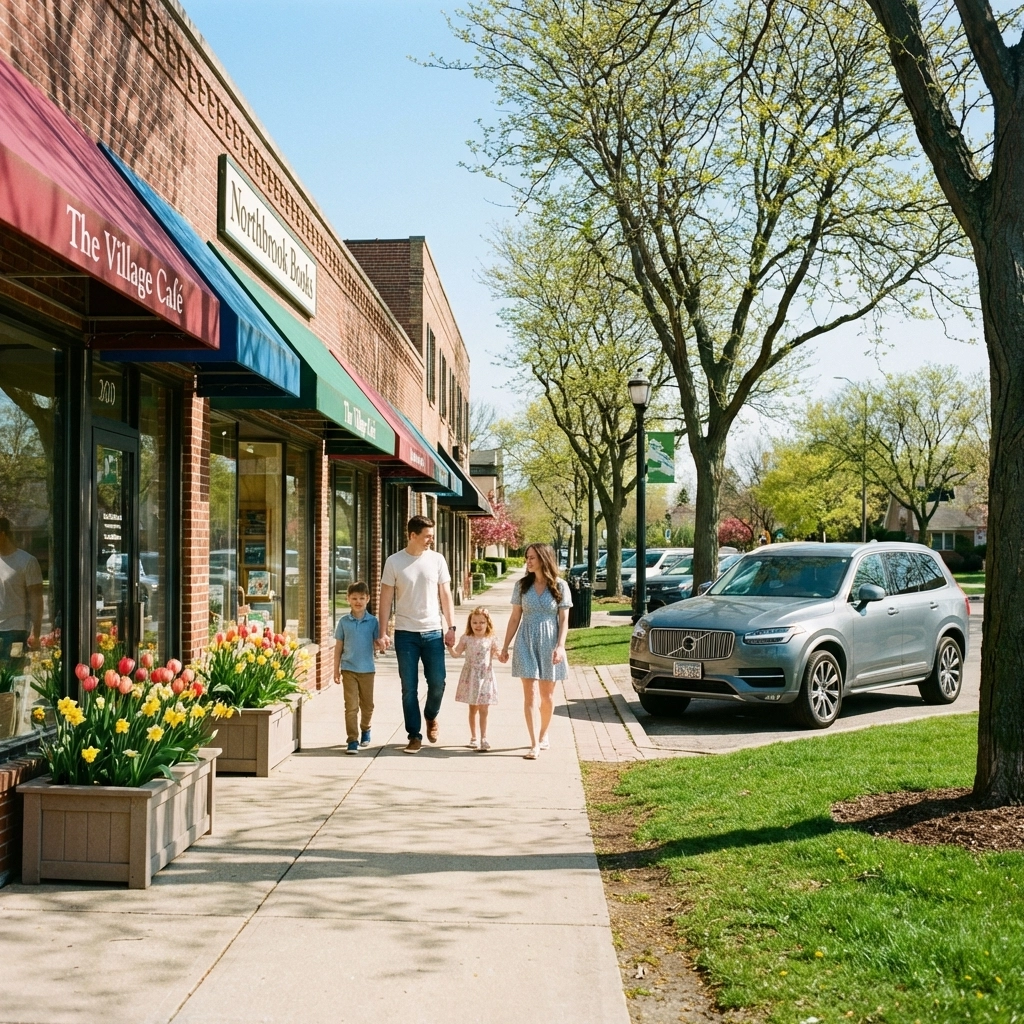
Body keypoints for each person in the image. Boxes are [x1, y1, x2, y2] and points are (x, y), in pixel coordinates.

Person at [378, 515, 457, 754]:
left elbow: (445, 595)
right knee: (408, 688)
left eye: (432, 536)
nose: (431, 540)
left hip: (433, 632)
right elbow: (385, 599)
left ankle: (431, 715)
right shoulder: (394, 562)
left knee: (438, 684)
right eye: (427, 536)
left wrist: (451, 627)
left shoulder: (437, 560)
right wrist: (382, 631)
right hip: (405, 634)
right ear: (412, 535)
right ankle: (414, 735)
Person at [500, 543, 572, 760]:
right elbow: (515, 617)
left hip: (550, 642)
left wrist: (560, 646)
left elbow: (564, 619)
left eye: (532, 557)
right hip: (525, 641)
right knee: (529, 693)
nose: (528, 561)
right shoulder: (522, 585)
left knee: (547, 696)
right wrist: (505, 646)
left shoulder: (560, 586)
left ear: (543, 558)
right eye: (526, 557)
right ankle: (534, 744)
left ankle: (543, 734)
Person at [333, 581, 383, 755]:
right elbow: (338, 647)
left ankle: (366, 728)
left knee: (367, 705)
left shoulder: (373, 622)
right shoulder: (343, 622)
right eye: (354, 598)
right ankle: (352, 739)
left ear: (368, 599)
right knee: (351, 706)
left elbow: (377, 644)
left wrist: (382, 643)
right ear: (347, 599)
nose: (358, 601)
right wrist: (335, 670)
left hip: (367, 669)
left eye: (362, 598)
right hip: (348, 669)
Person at [451, 607, 502, 752]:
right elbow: (456, 653)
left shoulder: (491, 639)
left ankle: (484, 738)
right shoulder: (466, 638)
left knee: (484, 708)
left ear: (487, 623)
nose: (478, 625)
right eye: (474, 622)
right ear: (470, 623)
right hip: (471, 677)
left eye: (482, 622)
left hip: (485, 677)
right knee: (473, 708)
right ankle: (473, 737)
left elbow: (498, 654)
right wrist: (449, 647)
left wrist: (502, 656)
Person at [0, 517, 42, 666]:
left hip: (15, 631)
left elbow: (36, 600)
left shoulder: (27, 561)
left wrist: (35, 634)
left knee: (11, 679)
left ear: (2, 534)